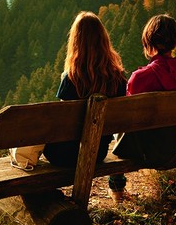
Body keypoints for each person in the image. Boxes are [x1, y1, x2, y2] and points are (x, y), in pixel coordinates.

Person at [108, 13, 176, 203]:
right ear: (175, 39)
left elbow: (127, 116)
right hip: (170, 143)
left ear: (149, 41)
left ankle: (117, 192)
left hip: (143, 149)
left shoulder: (140, 78)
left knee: (116, 133)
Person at [44, 11, 127, 167]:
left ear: (75, 42)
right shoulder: (118, 78)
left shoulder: (71, 78)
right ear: (103, 39)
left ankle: (50, 193)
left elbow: (63, 120)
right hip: (98, 153)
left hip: (64, 155)